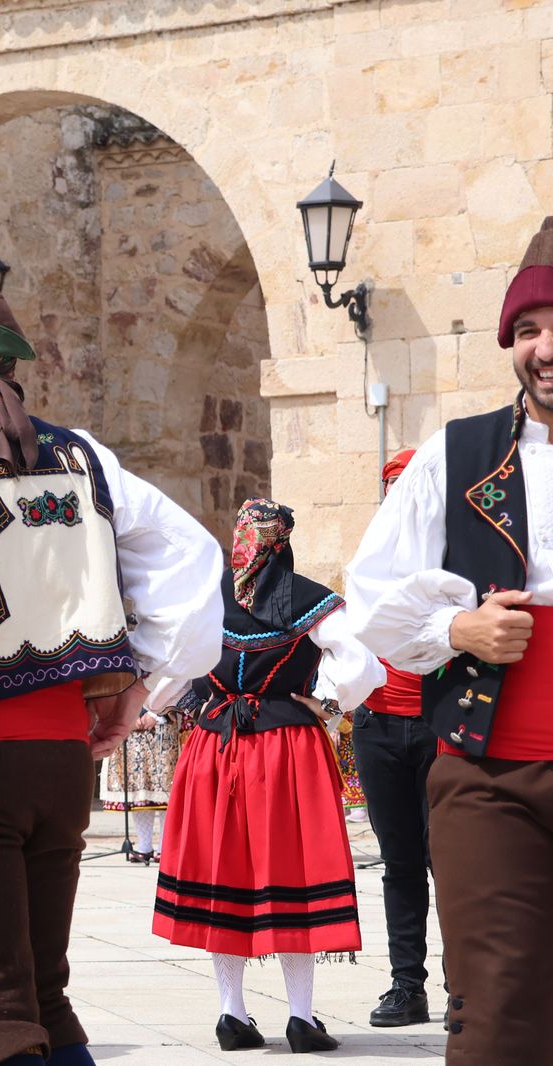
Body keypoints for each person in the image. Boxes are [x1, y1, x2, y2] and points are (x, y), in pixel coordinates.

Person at [0, 260, 224, 1066]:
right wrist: (146, 685)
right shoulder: (82, 457)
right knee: (43, 994)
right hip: (63, 762)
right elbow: (192, 560)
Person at [345, 217, 553, 1066]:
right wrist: (457, 627)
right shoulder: (457, 453)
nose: (545, 347)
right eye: (530, 329)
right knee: (498, 1016)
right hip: (486, 771)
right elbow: (370, 595)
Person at [152, 500, 383, 1053]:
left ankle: (232, 1014)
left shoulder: (207, 596)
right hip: (284, 749)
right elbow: (365, 664)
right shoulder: (307, 600)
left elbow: (166, 669)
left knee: (223, 873)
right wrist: (326, 705)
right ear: (283, 542)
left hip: (214, 746)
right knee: (291, 874)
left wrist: (188, 702)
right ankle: (301, 1019)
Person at [342, 450, 436, 1028]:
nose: (398, 496)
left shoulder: (448, 556)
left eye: (407, 486)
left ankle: (465, 986)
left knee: (452, 861)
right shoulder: (370, 563)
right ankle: (408, 986)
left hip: (437, 724)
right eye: (391, 486)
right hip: (379, 725)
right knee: (399, 862)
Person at [98, 696, 192, 863]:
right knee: (139, 792)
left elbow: (176, 684)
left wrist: (155, 715)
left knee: (165, 790)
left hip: (164, 724)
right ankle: (144, 846)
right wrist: (127, 718)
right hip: (132, 728)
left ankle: (165, 847)